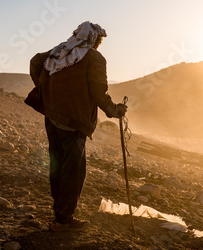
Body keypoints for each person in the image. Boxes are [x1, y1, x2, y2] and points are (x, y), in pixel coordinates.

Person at [25, 21, 127, 232]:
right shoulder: (93, 58)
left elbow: (36, 61)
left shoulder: (59, 51)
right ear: (93, 40)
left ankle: (59, 212)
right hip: (74, 123)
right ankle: (63, 221)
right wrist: (114, 111)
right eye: (99, 40)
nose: (99, 44)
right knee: (73, 172)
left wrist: (47, 90)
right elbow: (99, 93)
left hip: (52, 117)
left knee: (57, 165)